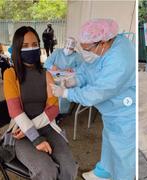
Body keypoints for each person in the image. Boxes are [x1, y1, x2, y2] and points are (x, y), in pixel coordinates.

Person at [50, 19, 135, 180]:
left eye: (87, 49)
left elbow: (97, 92)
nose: (85, 53)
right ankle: (105, 171)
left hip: (125, 113)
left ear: (101, 43)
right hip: (113, 111)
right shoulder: (106, 47)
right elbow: (89, 69)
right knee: (110, 142)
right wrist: (74, 80)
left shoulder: (120, 59)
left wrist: (67, 94)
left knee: (123, 153)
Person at [3, 26, 77, 180]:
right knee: (47, 170)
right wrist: (35, 137)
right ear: (17, 48)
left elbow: (54, 109)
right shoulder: (10, 74)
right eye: (25, 46)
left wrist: (32, 128)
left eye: (34, 44)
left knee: (69, 167)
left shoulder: (46, 74)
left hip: (46, 128)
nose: (31, 49)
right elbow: (15, 111)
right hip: (20, 133)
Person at [44, 37, 83, 114]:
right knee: (49, 87)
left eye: (71, 48)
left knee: (63, 88)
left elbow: (82, 68)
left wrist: (73, 69)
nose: (68, 50)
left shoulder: (76, 56)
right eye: (67, 47)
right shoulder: (57, 52)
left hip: (67, 79)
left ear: (74, 48)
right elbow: (46, 63)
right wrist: (52, 67)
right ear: (64, 45)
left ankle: (62, 112)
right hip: (54, 76)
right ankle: (48, 107)